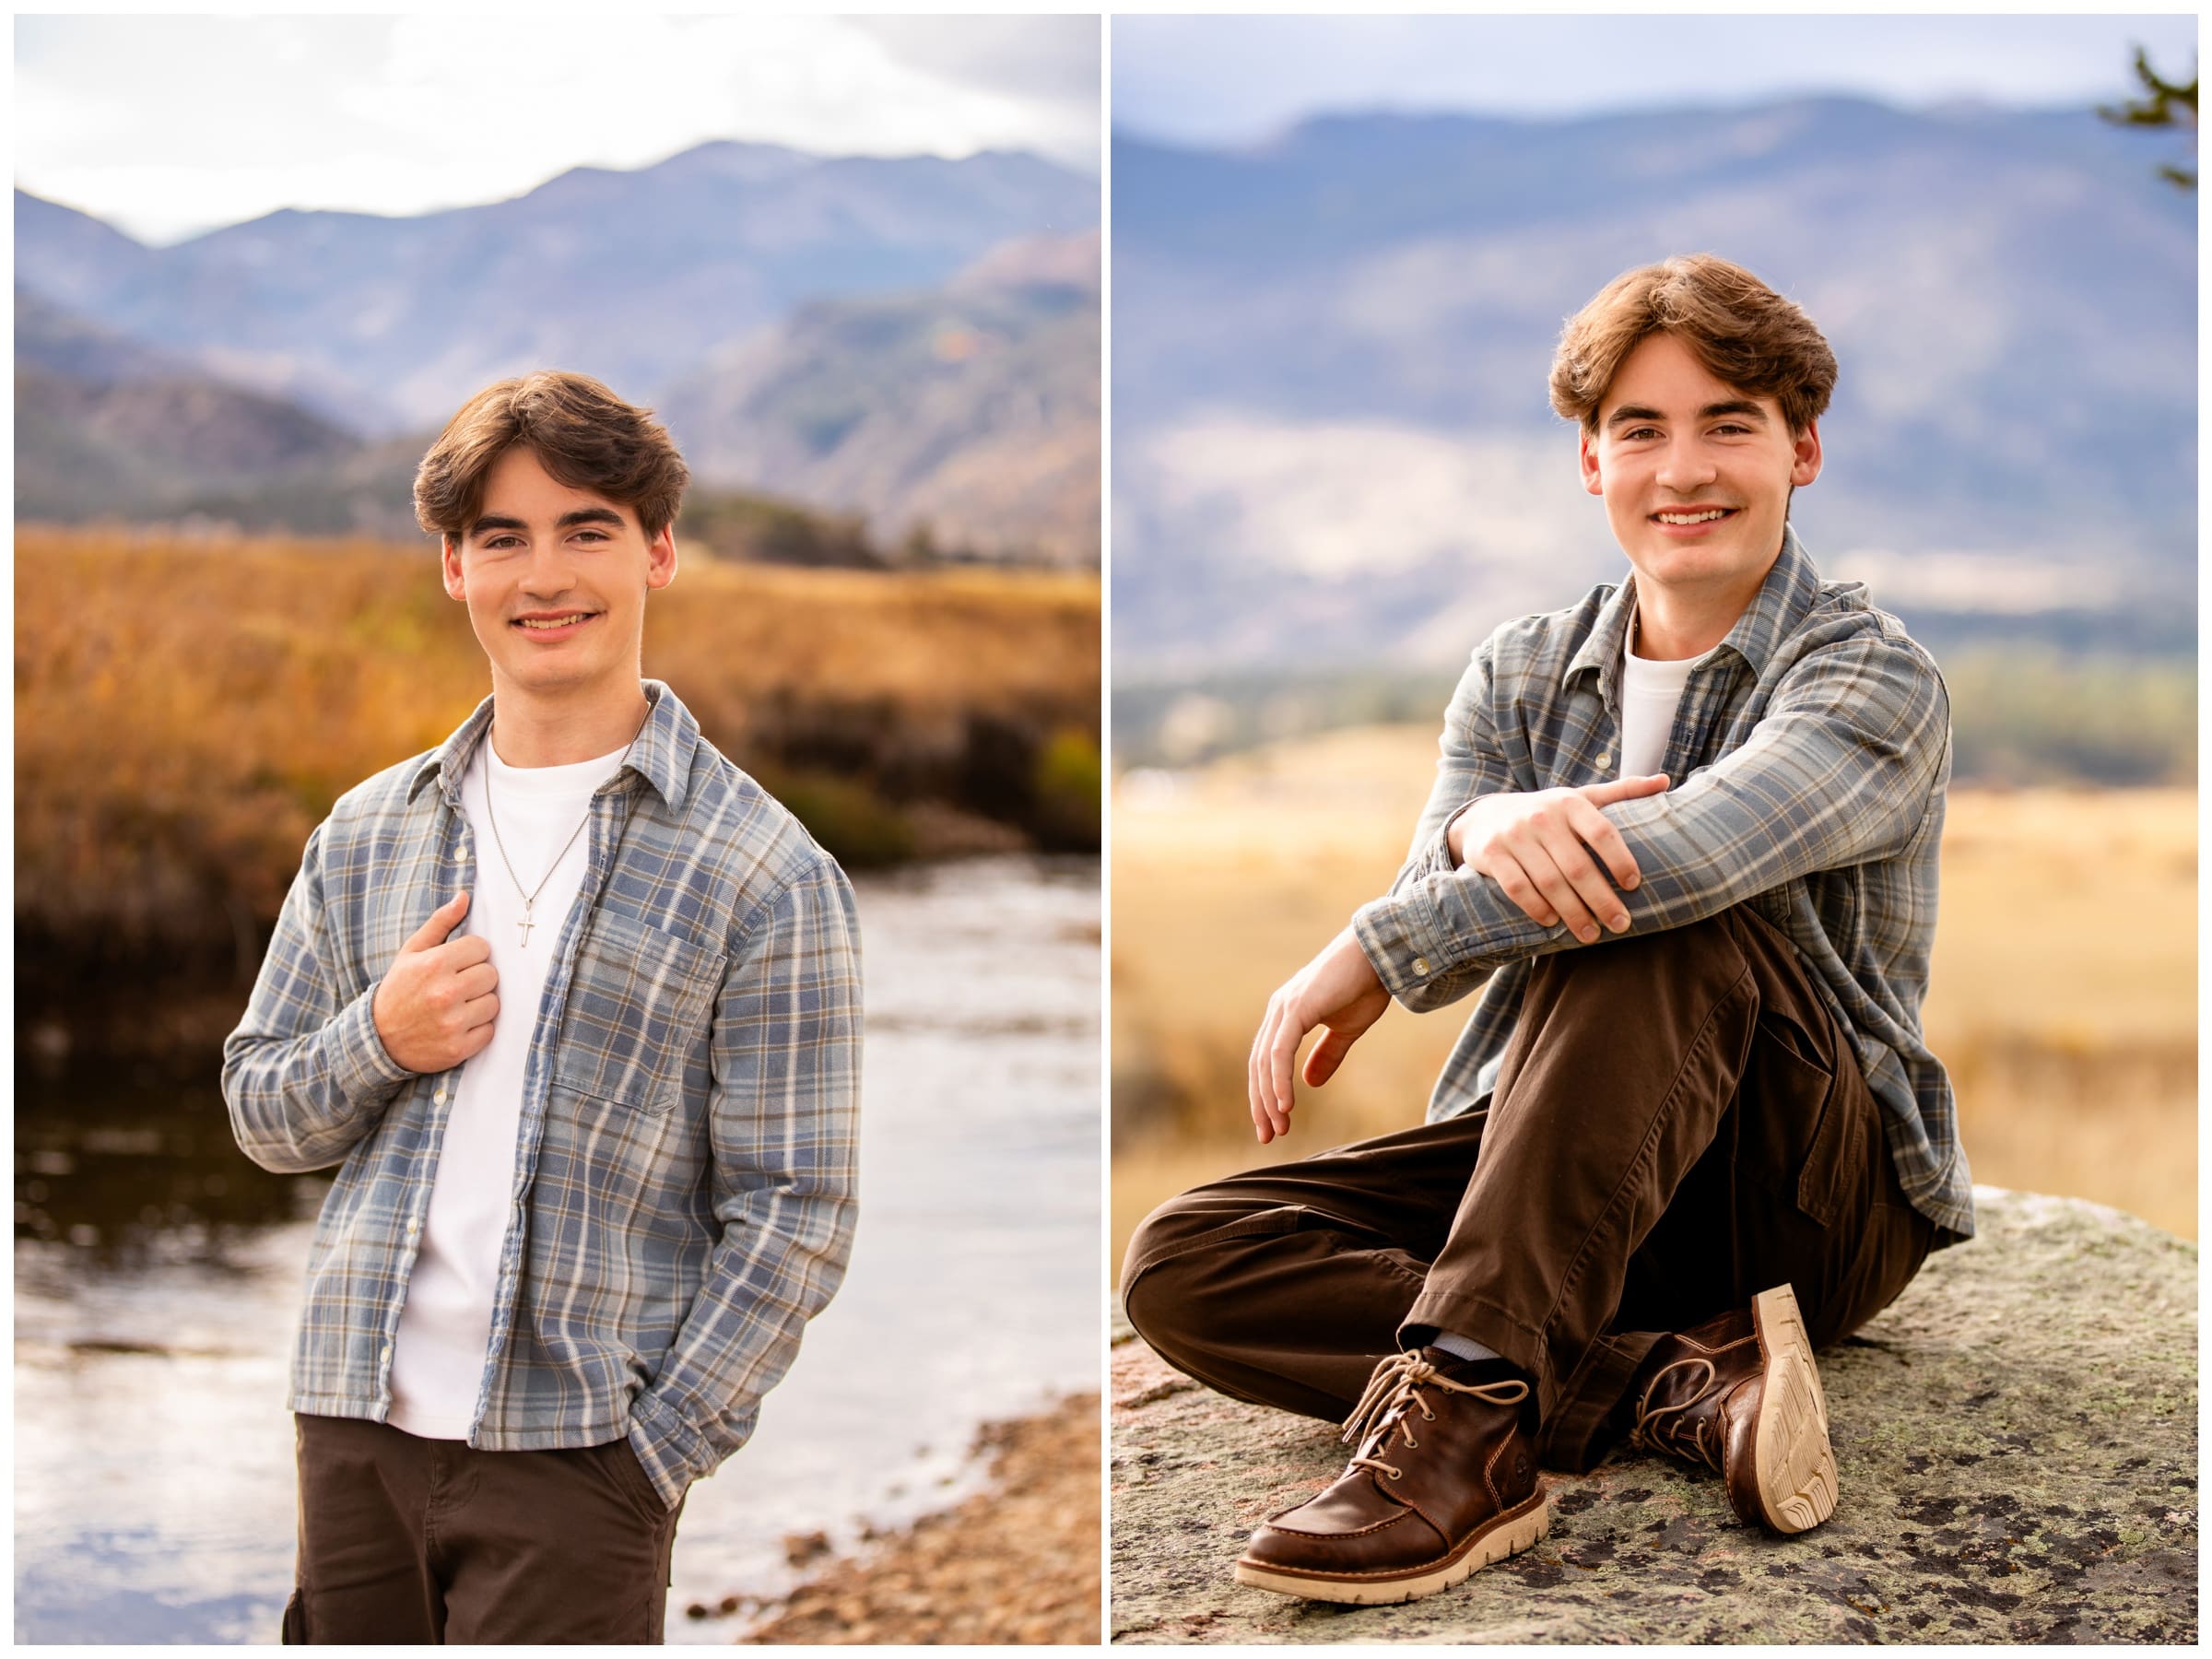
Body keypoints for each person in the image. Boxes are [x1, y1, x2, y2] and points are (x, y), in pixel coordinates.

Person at [1120, 254, 1969, 1606]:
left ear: (1801, 448)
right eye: (1641, 429)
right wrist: (1476, 827)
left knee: (1659, 918)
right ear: (1591, 461)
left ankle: (1460, 1434)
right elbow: (1441, 907)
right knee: (1186, 1263)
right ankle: (1676, 1384)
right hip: (1567, 1178)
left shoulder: (1868, 672)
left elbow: (1683, 859)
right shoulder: (1520, 671)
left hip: (1800, 1197)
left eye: (1728, 424)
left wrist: (1375, 944)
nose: (1683, 468)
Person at [221, 371, 863, 1643]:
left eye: (588, 530)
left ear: (658, 553)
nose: (545, 576)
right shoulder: (364, 836)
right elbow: (260, 1112)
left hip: (579, 1461)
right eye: (503, 537)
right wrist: (377, 1042)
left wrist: (654, 1454)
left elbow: (798, 1209)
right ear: (455, 567)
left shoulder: (766, 871)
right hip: (352, 1431)